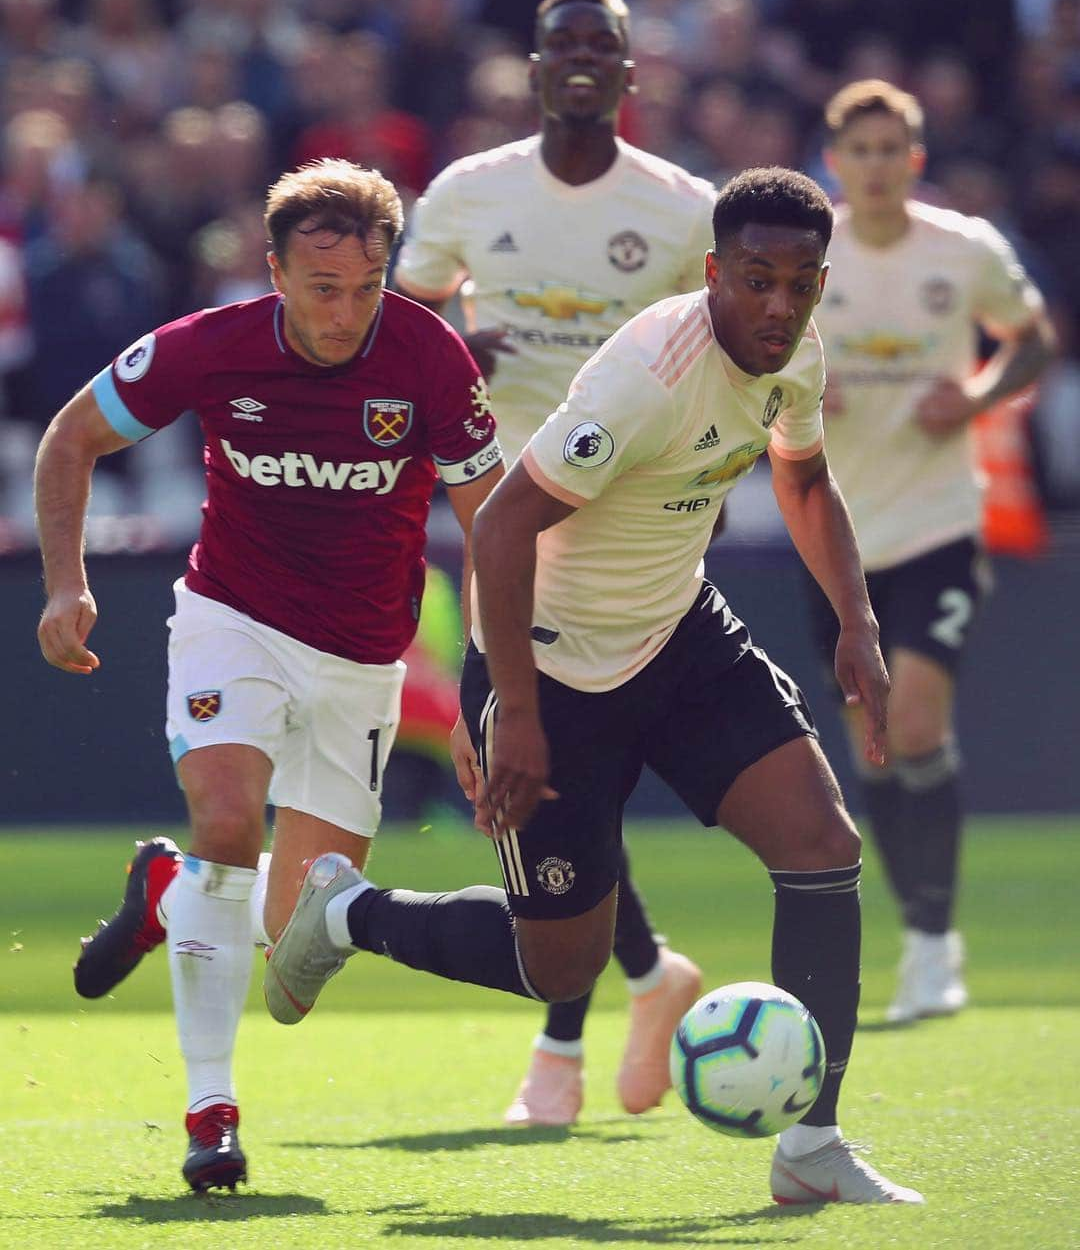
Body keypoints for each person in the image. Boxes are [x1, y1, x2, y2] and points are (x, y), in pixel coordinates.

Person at [265, 167, 925, 1206]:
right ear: (713, 272)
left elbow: (801, 475)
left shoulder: (794, 347)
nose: (778, 305)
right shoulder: (651, 373)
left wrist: (856, 619)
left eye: (801, 284)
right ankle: (348, 914)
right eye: (755, 280)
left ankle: (812, 1147)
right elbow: (503, 523)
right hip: (553, 662)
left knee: (823, 847)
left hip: (678, 635)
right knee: (558, 970)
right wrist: (516, 710)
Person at [35, 158, 503, 1192]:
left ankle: (168, 893)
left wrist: (486, 681)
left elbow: (490, 524)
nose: (346, 314)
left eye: (368, 288)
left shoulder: (431, 358)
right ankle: (212, 1111)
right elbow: (71, 436)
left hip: (363, 660)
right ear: (275, 273)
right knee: (230, 827)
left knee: (295, 966)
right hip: (231, 620)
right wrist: (65, 586)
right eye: (323, 288)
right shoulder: (213, 346)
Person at [392, 0, 713, 1128]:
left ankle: (564, 1052)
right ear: (532, 68)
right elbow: (394, 324)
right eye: (561, 43)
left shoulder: (683, 210)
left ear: (632, 75)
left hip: (630, 531)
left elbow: (717, 358)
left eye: (603, 45)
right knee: (543, 776)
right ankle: (639, 980)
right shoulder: (472, 193)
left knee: (563, 778)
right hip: (504, 522)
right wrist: (447, 346)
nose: (581, 59)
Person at [810, 80, 1056, 1024]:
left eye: (891, 149)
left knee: (912, 722)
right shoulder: (807, 253)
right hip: (833, 537)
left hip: (940, 524)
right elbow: (742, 351)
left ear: (914, 160)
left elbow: (1031, 340)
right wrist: (794, 386)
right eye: (858, 150)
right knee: (873, 742)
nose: (874, 166)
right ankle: (916, 924)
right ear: (836, 160)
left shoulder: (965, 250)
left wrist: (981, 396)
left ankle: (933, 944)